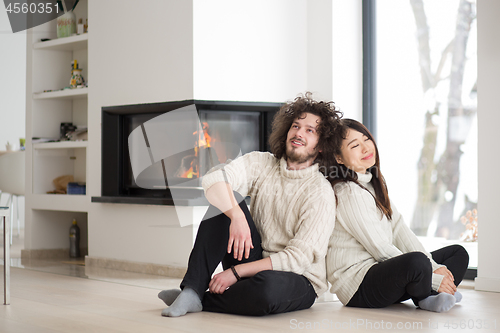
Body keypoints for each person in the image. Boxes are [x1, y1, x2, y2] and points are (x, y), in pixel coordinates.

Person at [159, 93, 342, 317]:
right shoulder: (262, 163)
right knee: (225, 199)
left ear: (321, 146)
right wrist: (236, 215)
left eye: (309, 130)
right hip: (253, 258)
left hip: (297, 278)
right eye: (296, 126)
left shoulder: (320, 193)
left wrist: (235, 273)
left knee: (267, 289)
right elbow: (213, 179)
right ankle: (192, 290)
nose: (298, 133)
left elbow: (297, 259)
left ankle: (201, 299)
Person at [326, 119, 469, 313]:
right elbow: (381, 248)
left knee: (457, 253)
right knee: (417, 262)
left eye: (366, 139)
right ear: (339, 158)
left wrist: (434, 267)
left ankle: (430, 293)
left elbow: (400, 229)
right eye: (355, 145)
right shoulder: (348, 193)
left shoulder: (373, 184)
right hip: (359, 286)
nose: (366, 148)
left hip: (384, 273)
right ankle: (428, 294)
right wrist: (434, 278)